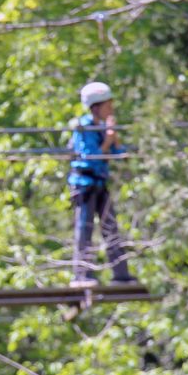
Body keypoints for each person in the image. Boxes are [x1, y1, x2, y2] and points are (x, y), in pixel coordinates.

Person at [67, 82, 137, 288]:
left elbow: (117, 153)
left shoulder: (103, 127)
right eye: (108, 105)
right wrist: (108, 139)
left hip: (100, 182)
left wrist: (114, 138)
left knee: (110, 227)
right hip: (85, 184)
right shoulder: (83, 127)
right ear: (96, 107)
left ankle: (121, 275)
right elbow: (91, 156)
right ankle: (82, 274)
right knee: (84, 228)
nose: (111, 109)